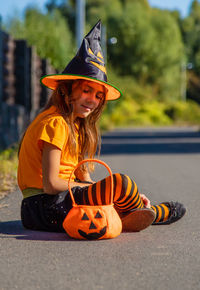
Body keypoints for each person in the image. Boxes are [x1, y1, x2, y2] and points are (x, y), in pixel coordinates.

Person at [18, 21, 186, 234]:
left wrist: (104, 191)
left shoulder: (75, 127)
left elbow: (83, 179)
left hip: (58, 202)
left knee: (115, 190)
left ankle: (136, 211)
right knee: (121, 183)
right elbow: (51, 184)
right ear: (66, 90)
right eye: (87, 90)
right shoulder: (55, 122)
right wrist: (112, 191)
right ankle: (145, 213)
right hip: (45, 206)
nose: (92, 100)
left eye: (98, 96)